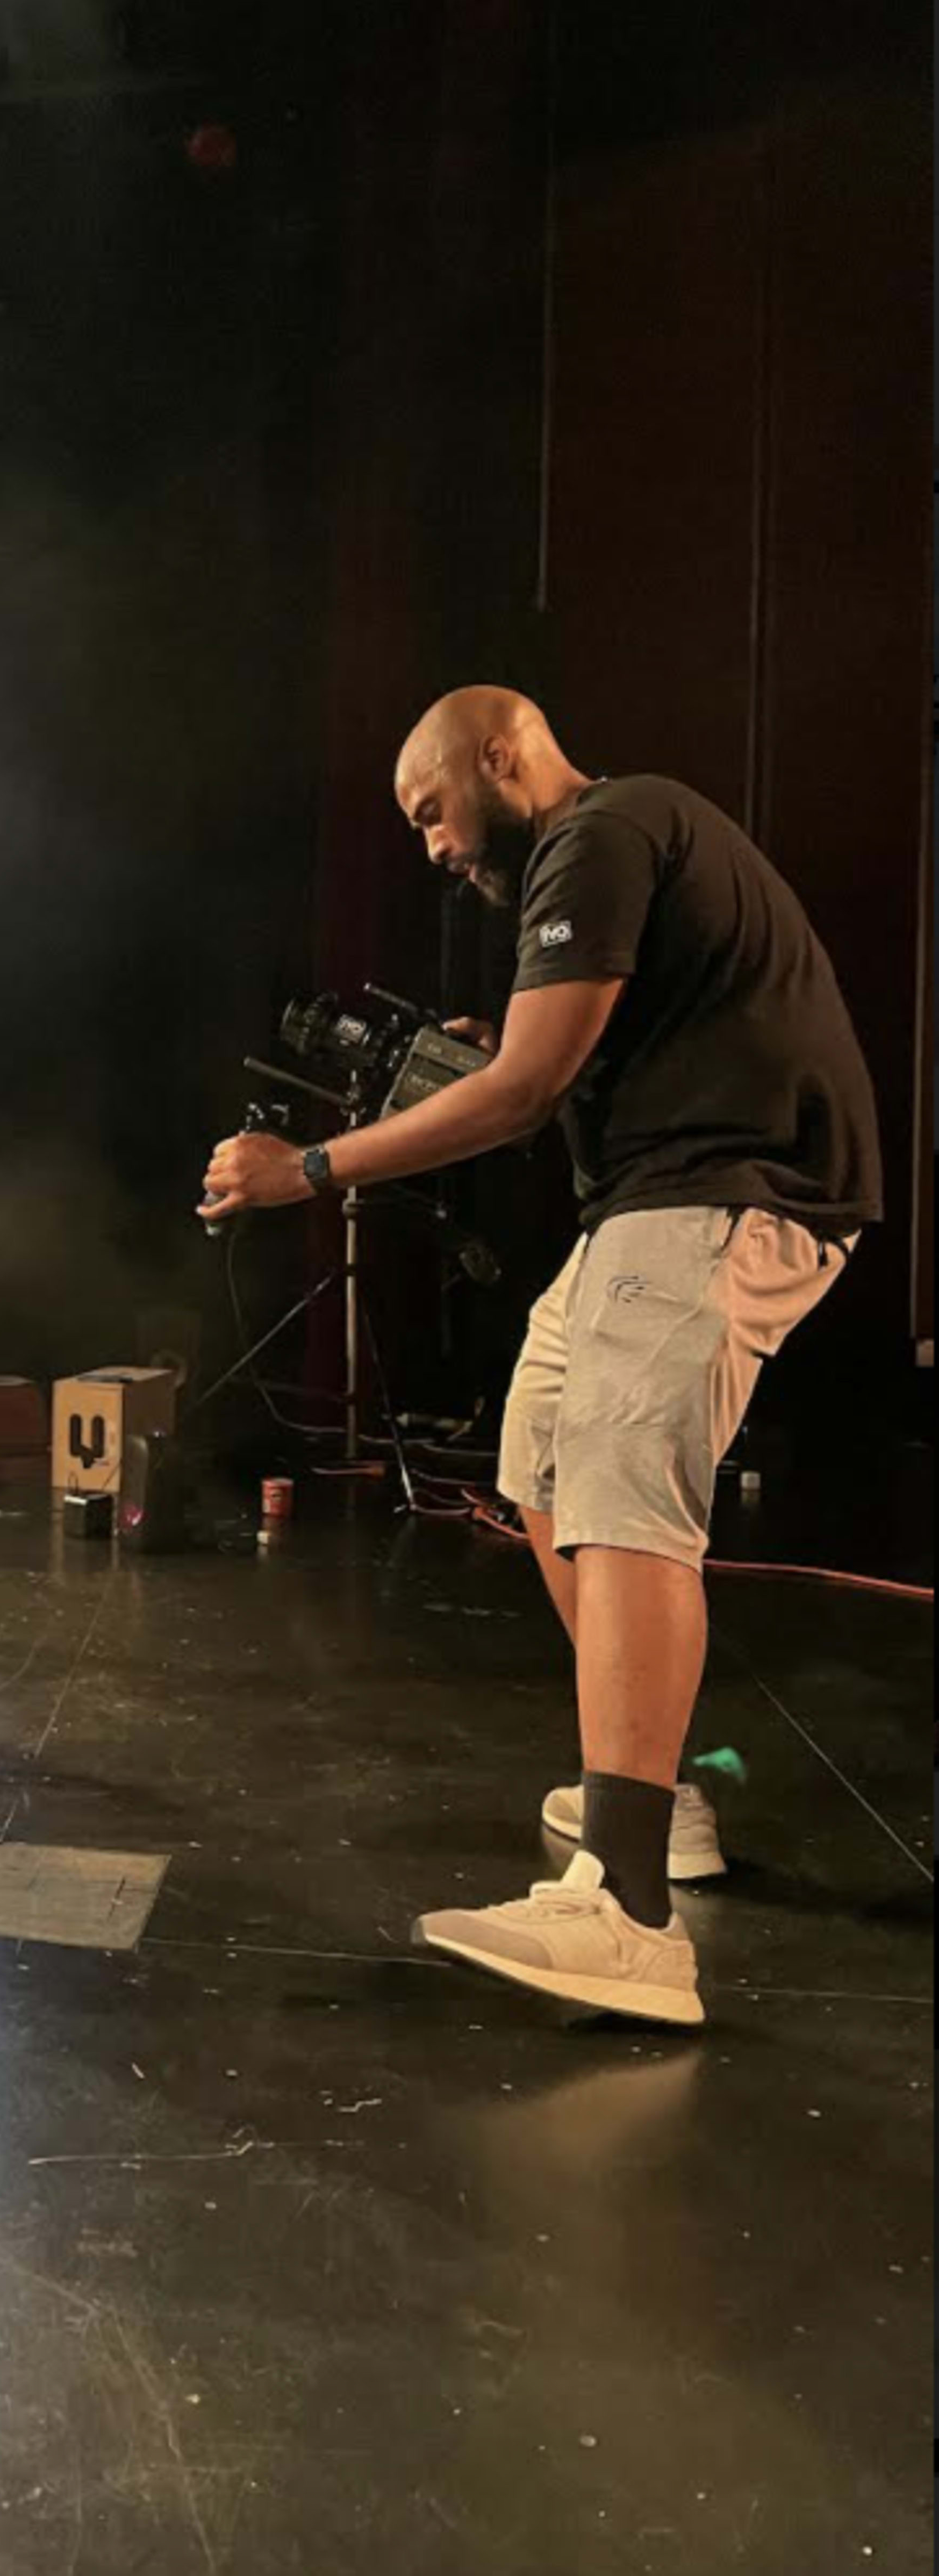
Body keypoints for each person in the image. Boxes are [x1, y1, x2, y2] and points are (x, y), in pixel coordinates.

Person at [202, 686, 882, 2026]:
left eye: (433, 811)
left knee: (627, 1487)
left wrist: (311, 1170)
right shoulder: (605, 858)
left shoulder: (605, 829)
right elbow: (541, 1067)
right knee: (543, 1456)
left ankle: (626, 1912)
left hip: (723, 1191)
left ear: (503, 756)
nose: (433, 848)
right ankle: (653, 1796)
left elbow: (521, 1091)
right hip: (650, 1200)